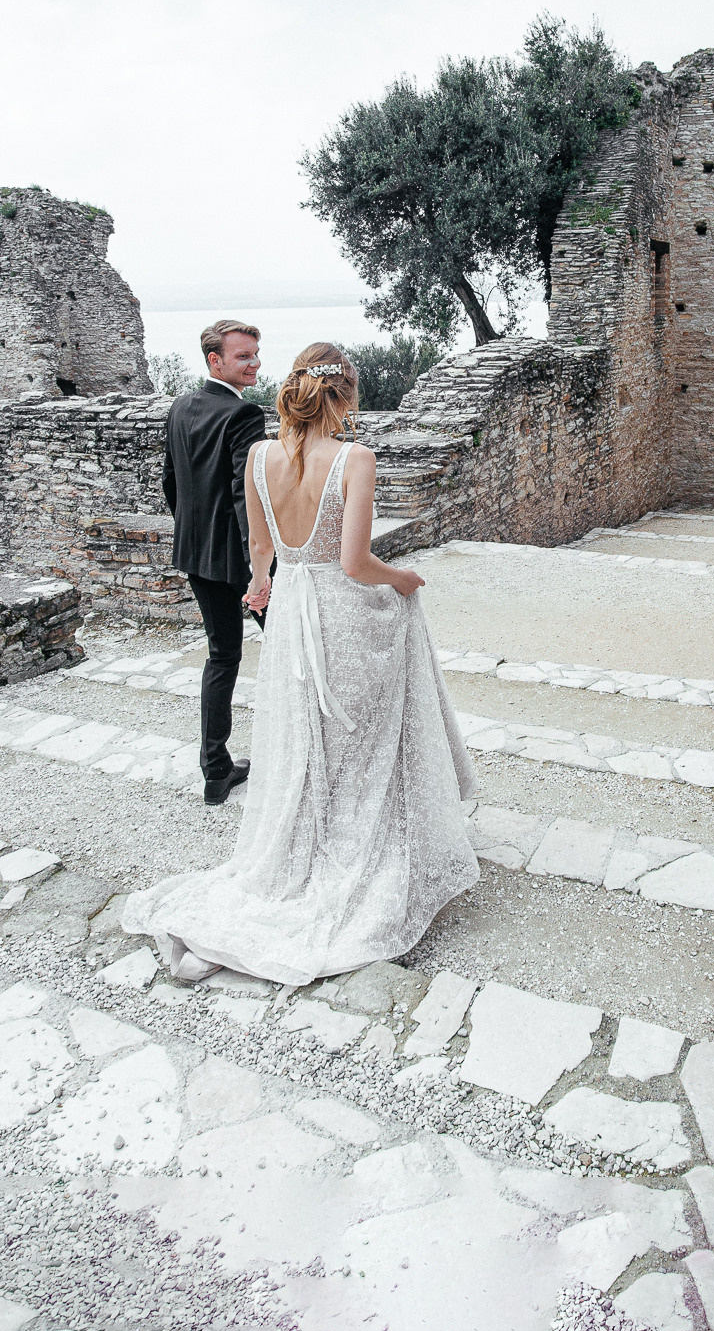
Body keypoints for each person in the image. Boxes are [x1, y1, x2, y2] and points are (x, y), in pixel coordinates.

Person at [122, 342, 481, 984]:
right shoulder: (355, 458)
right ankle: (355, 854)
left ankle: (298, 851)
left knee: (305, 735)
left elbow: (260, 548)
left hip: (291, 609)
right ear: (342, 396)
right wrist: (404, 579)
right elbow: (355, 563)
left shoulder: (260, 457)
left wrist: (260, 588)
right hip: (344, 613)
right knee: (359, 737)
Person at [161, 319, 271, 806]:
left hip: (196, 555)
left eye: (255, 354)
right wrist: (259, 570)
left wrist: (194, 536)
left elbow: (172, 484)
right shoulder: (244, 415)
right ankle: (309, 752)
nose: (255, 364)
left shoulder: (180, 407)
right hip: (239, 562)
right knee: (295, 648)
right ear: (216, 360)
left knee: (222, 656)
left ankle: (215, 770)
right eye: (244, 356)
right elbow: (246, 494)